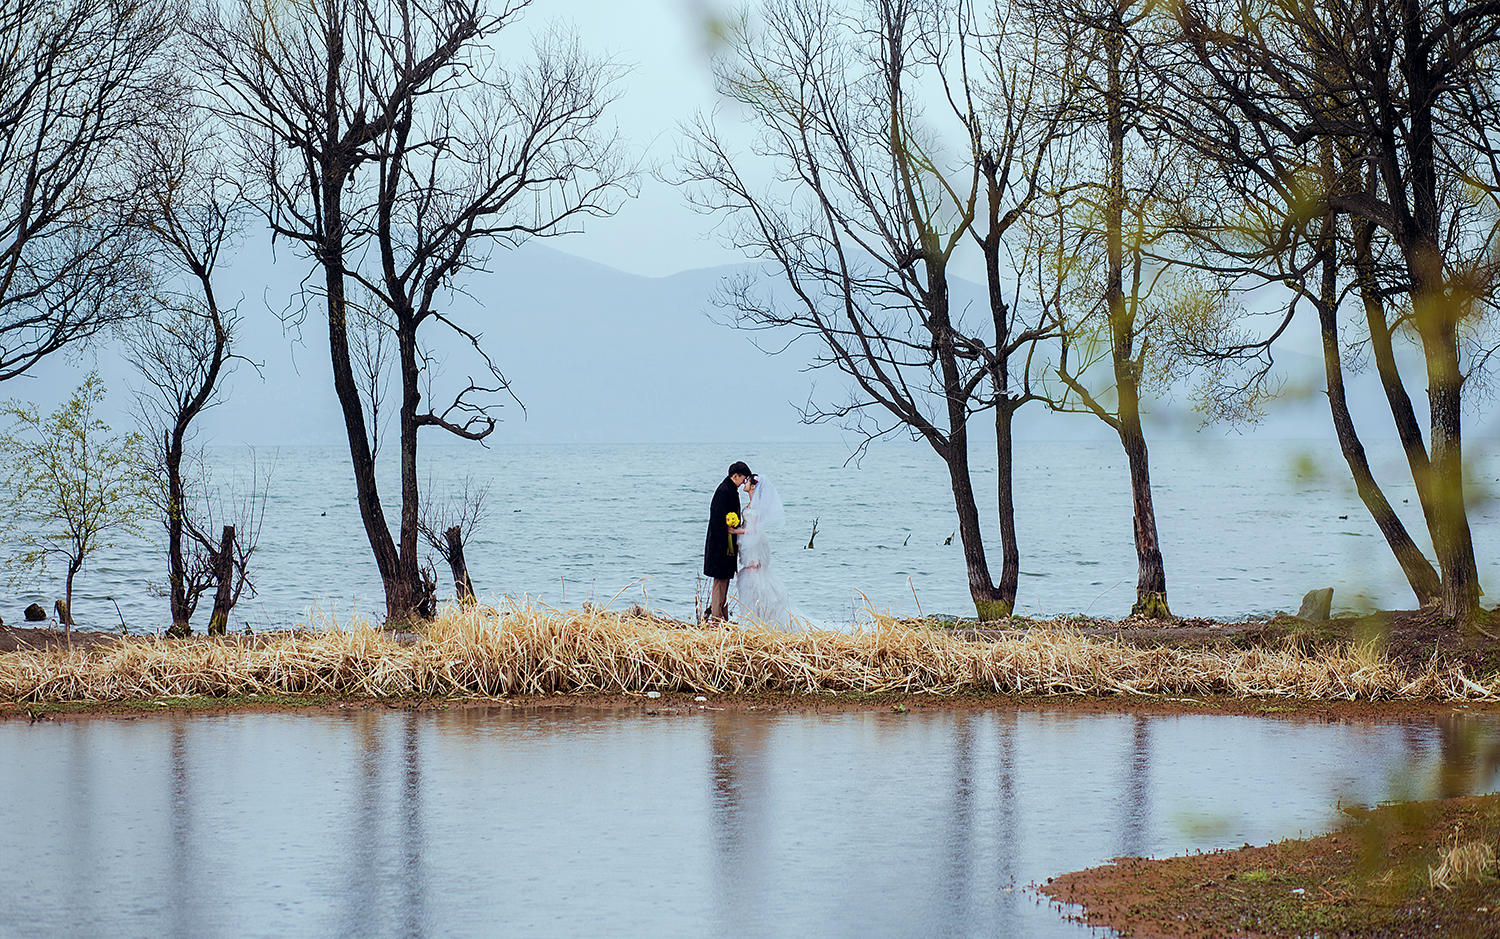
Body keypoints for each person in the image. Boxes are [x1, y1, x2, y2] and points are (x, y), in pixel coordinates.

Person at [734, 473, 791, 626]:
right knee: (751, 572)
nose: (744, 483)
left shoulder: (756, 507)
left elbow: (753, 529)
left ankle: (758, 616)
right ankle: (754, 615)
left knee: (753, 572)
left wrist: (734, 531)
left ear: (753, 486)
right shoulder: (751, 503)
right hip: (748, 541)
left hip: (753, 542)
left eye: (747, 481)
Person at [704, 461, 750, 622]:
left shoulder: (729, 489)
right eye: (743, 479)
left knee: (724, 579)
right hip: (721, 544)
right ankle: (716, 619)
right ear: (735, 475)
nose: (743, 482)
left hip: (726, 543)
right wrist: (727, 540)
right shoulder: (724, 491)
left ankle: (721, 616)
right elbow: (717, 520)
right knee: (720, 580)